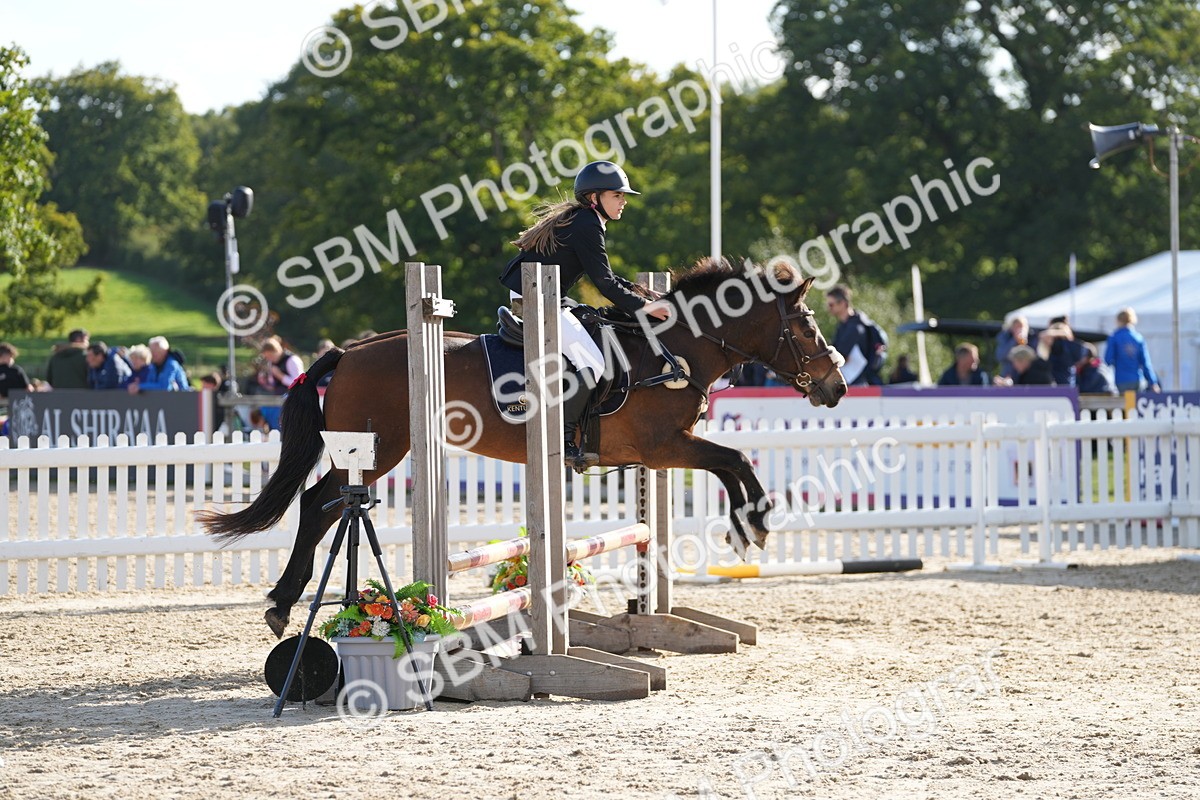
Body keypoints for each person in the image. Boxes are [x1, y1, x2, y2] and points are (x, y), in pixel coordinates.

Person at [498, 160, 671, 470]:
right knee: (593, 363)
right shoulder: (587, 223)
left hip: (544, 293)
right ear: (595, 198)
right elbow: (604, 283)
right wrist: (644, 309)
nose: (624, 201)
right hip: (536, 296)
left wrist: (643, 293)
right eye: (616, 195)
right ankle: (563, 441)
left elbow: (606, 275)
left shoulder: (584, 220)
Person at [826, 284, 887, 386]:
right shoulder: (846, 325)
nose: (829, 308)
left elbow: (840, 358)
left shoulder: (855, 328)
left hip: (856, 384)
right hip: (854, 382)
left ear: (842, 303)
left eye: (831, 304)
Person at [1105, 307, 1160, 394]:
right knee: (1135, 405)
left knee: (1125, 405)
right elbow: (1146, 363)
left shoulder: (1114, 337)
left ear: (1118, 320)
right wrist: (1153, 382)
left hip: (1121, 379)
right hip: (1137, 379)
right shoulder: (1138, 338)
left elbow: (1108, 359)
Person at [256, 336, 304, 430]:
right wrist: (265, 381)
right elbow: (274, 385)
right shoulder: (272, 363)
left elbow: (299, 383)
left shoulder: (292, 360)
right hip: (278, 398)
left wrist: (280, 375)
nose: (269, 359)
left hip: (293, 399)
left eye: (270, 356)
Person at [1038, 316, 1086, 386]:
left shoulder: (1063, 345)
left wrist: (1053, 331)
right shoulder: (1072, 346)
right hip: (1066, 384)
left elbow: (1043, 335)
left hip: (1062, 384)